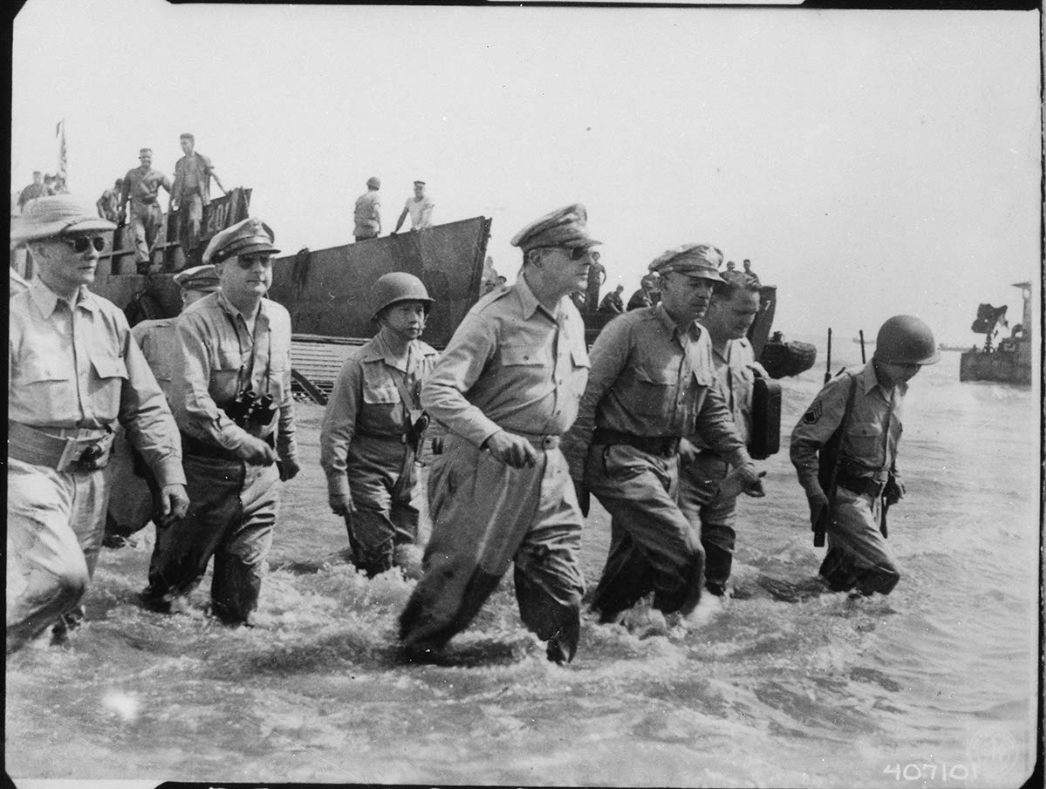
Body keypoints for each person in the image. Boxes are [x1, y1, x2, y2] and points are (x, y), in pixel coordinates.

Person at [398, 203, 599, 664]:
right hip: (486, 465)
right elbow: (438, 390)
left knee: (563, 588)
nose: (587, 262)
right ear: (537, 259)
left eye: (588, 252)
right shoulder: (494, 317)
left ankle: (552, 695)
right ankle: (403, 684)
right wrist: (491, 436)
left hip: (549, 469)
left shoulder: (571, 317)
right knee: (452, 597)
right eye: (575, 252)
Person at [7, 195, 188, 654]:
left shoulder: (110, 319)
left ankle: (47, 701)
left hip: (92, 480)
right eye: (77, 242)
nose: (93, 251)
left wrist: (169, 472)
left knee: (71, 609)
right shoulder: (14, 320)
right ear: (39, 250)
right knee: (62, 577)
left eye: (96, 241)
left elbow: (144, 405)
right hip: (27, 476)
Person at [563, 243, 764, 630]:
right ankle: (670, 641)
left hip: (667, 466)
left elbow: (712, 411)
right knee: (688, 554)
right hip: (620, 460)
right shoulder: (628, 330)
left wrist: (742, 461)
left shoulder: (700, 339)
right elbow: (584, 400)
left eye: (709, 284)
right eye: (693, 283)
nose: (704, 293)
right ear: (663, 284)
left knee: (631, 571)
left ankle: (594, 637)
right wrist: (573, 476)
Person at [142, 217, 300, 625]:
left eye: (266, 261)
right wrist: (239, 441)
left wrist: (289, 448)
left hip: (261, 477)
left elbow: (282, 391)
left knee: (241, 603)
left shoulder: (279, 319)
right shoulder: (197, 321)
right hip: (203, 471)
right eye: (247, 261)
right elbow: (191, 403)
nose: (259, 270)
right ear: (220, 270)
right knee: (170, 597)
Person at [790, 315, 940, 597]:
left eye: (918, 366)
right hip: (844, 498)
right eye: (907, 365)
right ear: (885, 358)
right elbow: (802, 442)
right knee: (885, 572)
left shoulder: (898, 390)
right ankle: (851, 629)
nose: (913, 372)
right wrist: (813, 492)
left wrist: (894, 476)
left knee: (839, 582)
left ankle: (814, 623)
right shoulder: (847, 385)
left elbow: (888, 440)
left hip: (874, 499)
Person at [320, 273, 439, 577]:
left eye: (420, 310)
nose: (416, 318)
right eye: (405, 310)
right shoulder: (358, 366)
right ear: (382, 316)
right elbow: (336, 431)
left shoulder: (430, 360)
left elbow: (446, 417)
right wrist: (338, 484)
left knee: (410, 555)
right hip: (367, 475)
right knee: (377, 561)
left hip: (410, 473)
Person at [104, 265, 222, 549]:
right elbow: (112, 392)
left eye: (218, 298)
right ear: (184, 294)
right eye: (204, 294)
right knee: (117, 531)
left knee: (178, 542)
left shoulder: (222, 345)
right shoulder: (148, 333)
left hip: (194, 458)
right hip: (142, 454)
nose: (211, 305)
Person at [677, 274, 767, 598]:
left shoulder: (744, 349)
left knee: (717, 568)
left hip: (728, 476)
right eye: (740, 312)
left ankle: (703, 638)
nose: (748, 321)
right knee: (682, 562)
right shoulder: (686, 346)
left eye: (753, 313)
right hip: (687, 472)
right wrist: (676, 441)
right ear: (714, 304)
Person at [172, 132, 227, 256]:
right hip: (182, 198)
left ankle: (194, 252)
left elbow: (214, 175)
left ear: (192, 143)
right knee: (181, 230)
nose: (183, 146)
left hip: (196, 195)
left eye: (185, 143)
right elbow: (176, 183)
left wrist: (225, 190)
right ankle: (188, 257)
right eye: (181, 144)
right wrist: (171, 201)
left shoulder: (202, 160)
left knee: (194, 220)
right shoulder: (179, 163)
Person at [118, 148, 173, 273]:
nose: (146, 160)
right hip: (137, 207)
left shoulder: (158, 174)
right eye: (143, 157)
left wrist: (177, 201)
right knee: (139, 235)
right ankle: (143, 262)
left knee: (152, 238)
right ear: (140, 158)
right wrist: (122, 209)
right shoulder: (131, 174)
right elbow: (125, 192)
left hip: (153, 208)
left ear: (151, 158)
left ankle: (146, 264)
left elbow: (172, 189)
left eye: (148, 157)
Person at [353, 177, 383, 241]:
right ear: (377, 187)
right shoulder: (375, 197)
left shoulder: (360, 198)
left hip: (358, 232)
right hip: (370, 232)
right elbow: (376, 210)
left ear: (368, 186)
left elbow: (356, 213)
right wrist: (380, 226)